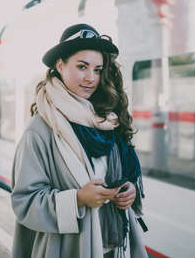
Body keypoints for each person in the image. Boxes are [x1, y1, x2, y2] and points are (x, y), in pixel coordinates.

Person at [11, 24, 148, 258]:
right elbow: (25, 201)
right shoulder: (41, 129)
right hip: (68, 249)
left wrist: (129, 191)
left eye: (98, 69)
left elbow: (122, 172)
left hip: (114, 246)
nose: (91, 78)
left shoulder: (107, 119)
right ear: (60, 65)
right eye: (82, 67)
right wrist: (77, 199)